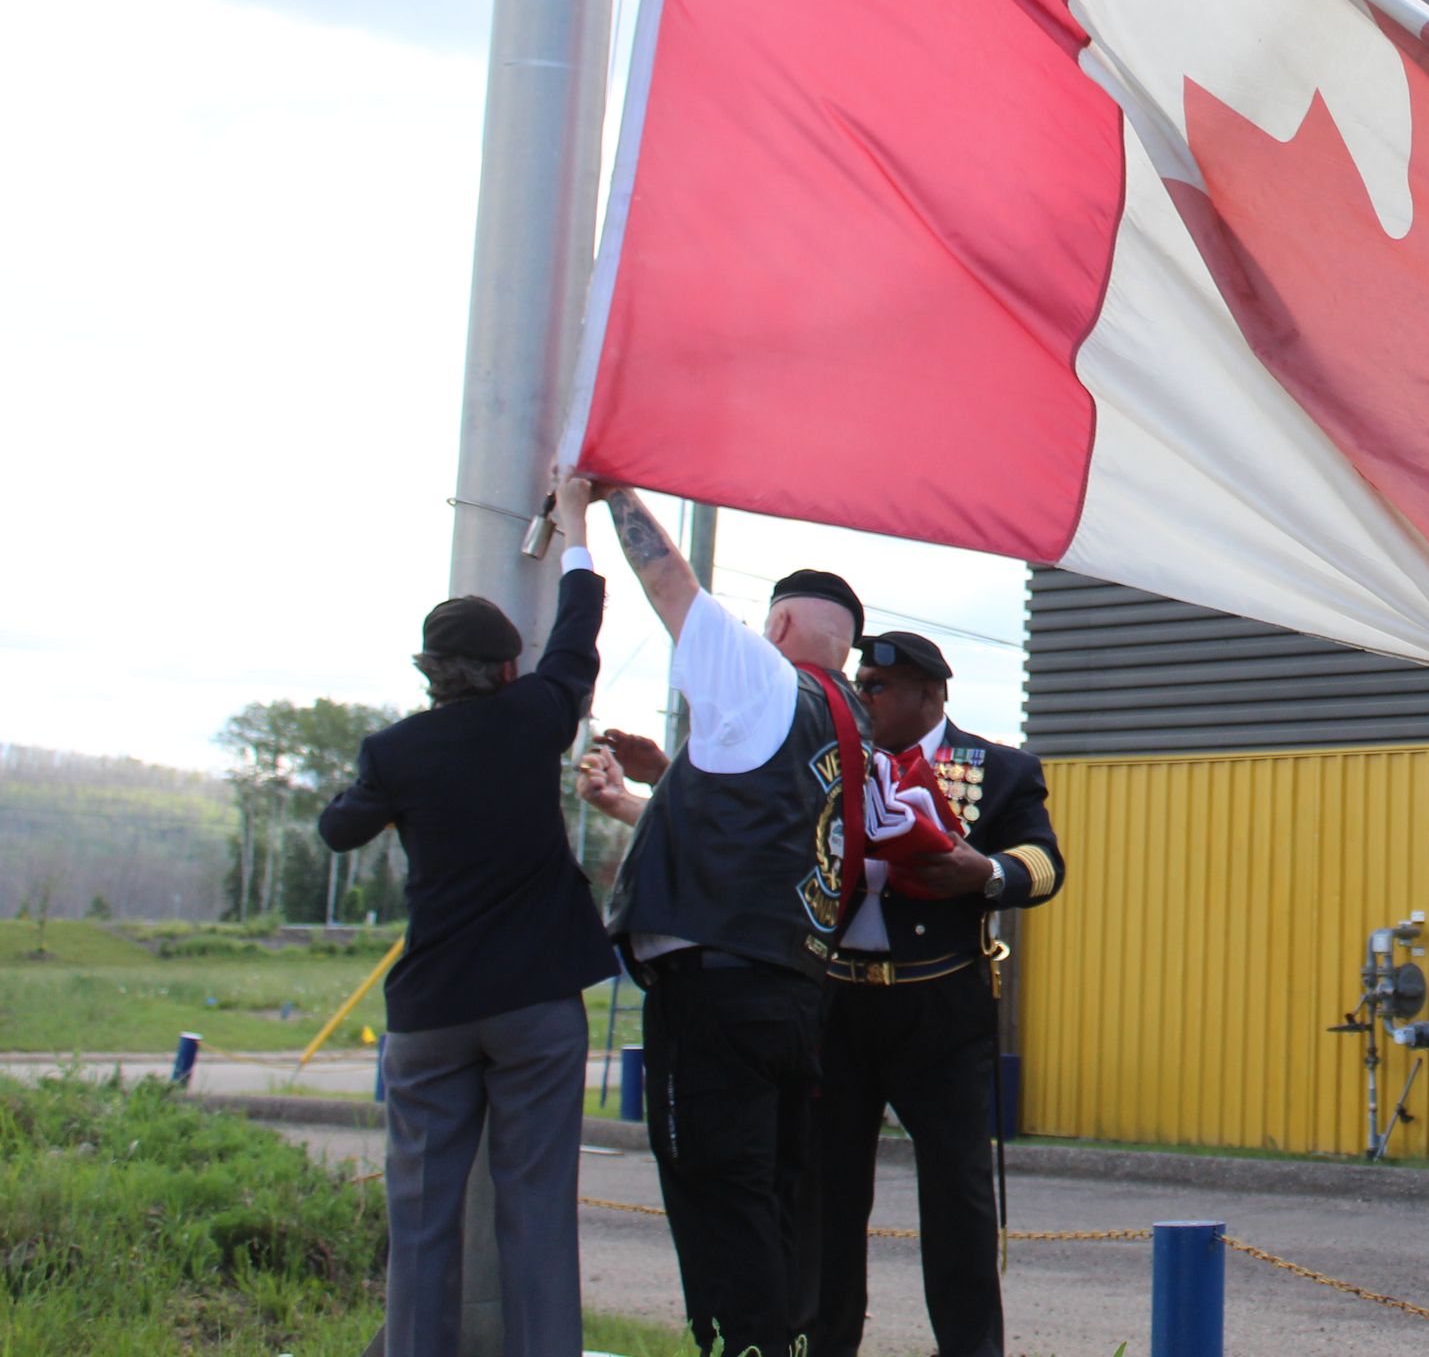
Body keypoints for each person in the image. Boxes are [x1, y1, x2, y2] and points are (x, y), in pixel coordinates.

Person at [594, 486, 983, 1357]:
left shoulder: (766, 678)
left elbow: (668, 583)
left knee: (715, 1189)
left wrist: (607, 494)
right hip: (793, 988)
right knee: (769, 1190)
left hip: (718, 983)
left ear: (776, 631)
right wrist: (645, 799)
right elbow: (771, 842)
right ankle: (775, 1341)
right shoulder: (855, 733)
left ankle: (751, 1345)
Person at [319, 471, 618, 1357]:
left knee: (419, 1209)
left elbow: (339, 830)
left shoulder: (394, 751)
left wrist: (375, 782)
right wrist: (575, 530)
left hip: (433, 1007)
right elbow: (578, 636)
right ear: (503, 668)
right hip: (535, 1004)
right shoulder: (535, 714)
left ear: (429, 671)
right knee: (534, 1209)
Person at [807, 628, 1064, 1357]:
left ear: (931, 692)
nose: (863, 698)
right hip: (840, 1005)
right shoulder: (832, 766)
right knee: (828, 1192)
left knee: (956, 1194)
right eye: (860, 686)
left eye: (878, 688)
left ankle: (970, 1348)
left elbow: (1043, 864)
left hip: (939, 1009)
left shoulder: (996, 769)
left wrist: (983, 874)